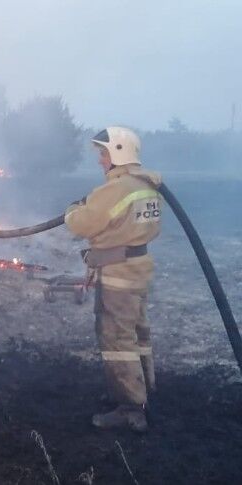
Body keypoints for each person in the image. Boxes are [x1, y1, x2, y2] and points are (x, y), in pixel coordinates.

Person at [64, 126, 161, 432]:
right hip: (138, 270)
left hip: (118, 275)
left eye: (103, 153)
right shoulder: (146, 185)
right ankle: (143, 390)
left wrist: (73, 210)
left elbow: (82, 223)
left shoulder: (116, 190)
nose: (100, 161)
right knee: (137, 333)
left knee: (116, 339)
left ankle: (131, 408)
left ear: (119, 152)